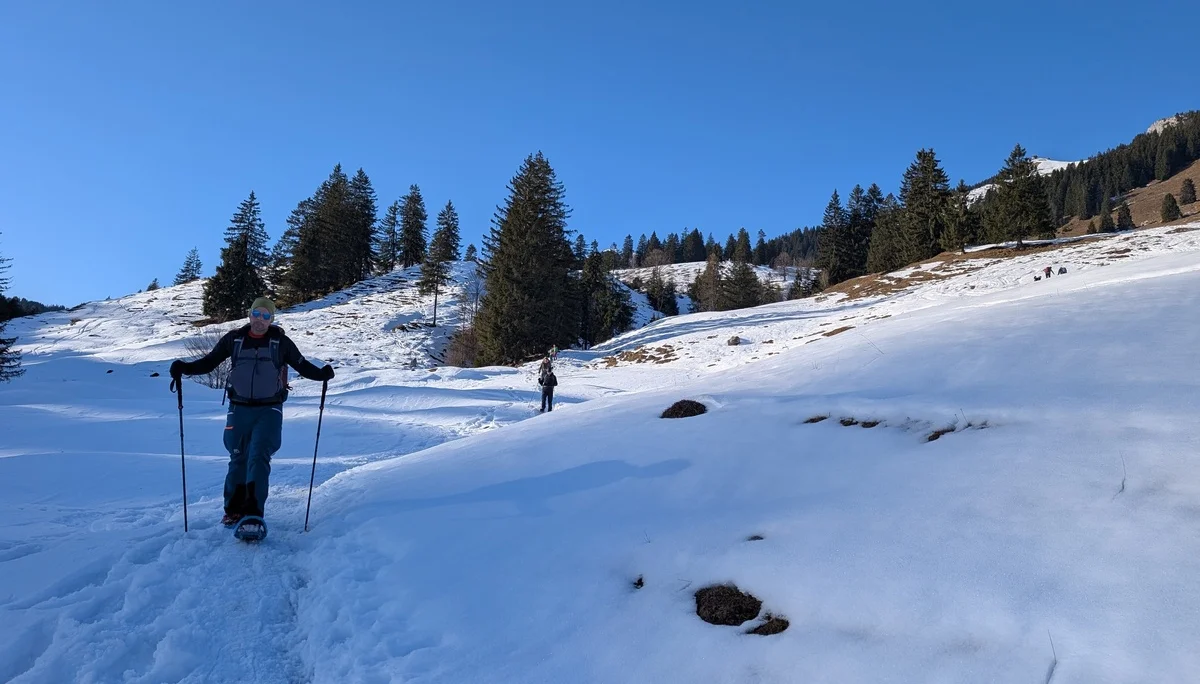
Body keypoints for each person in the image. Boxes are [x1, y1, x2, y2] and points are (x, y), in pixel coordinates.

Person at [169, 297, 334, 527]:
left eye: (266, 316)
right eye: (257, 314)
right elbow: (209, 362)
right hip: (238, 408)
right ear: (249, 315)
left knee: (258, 456)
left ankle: (254, 512)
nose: (260, 320)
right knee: (238, 457)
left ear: (271, 320)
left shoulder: (281, 343)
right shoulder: (233, 339)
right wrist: (184, 368)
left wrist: (321, 374)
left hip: (270, 409)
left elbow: (302, 365)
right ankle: (233, 510)